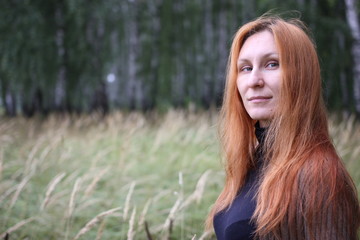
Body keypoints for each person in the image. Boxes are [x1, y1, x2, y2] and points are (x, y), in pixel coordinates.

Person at [206, 15, 360, 240]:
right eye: (245, 68)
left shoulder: (319, 175)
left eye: (271, 64)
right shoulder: (252, 161)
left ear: (301, 76)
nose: (254, 81)